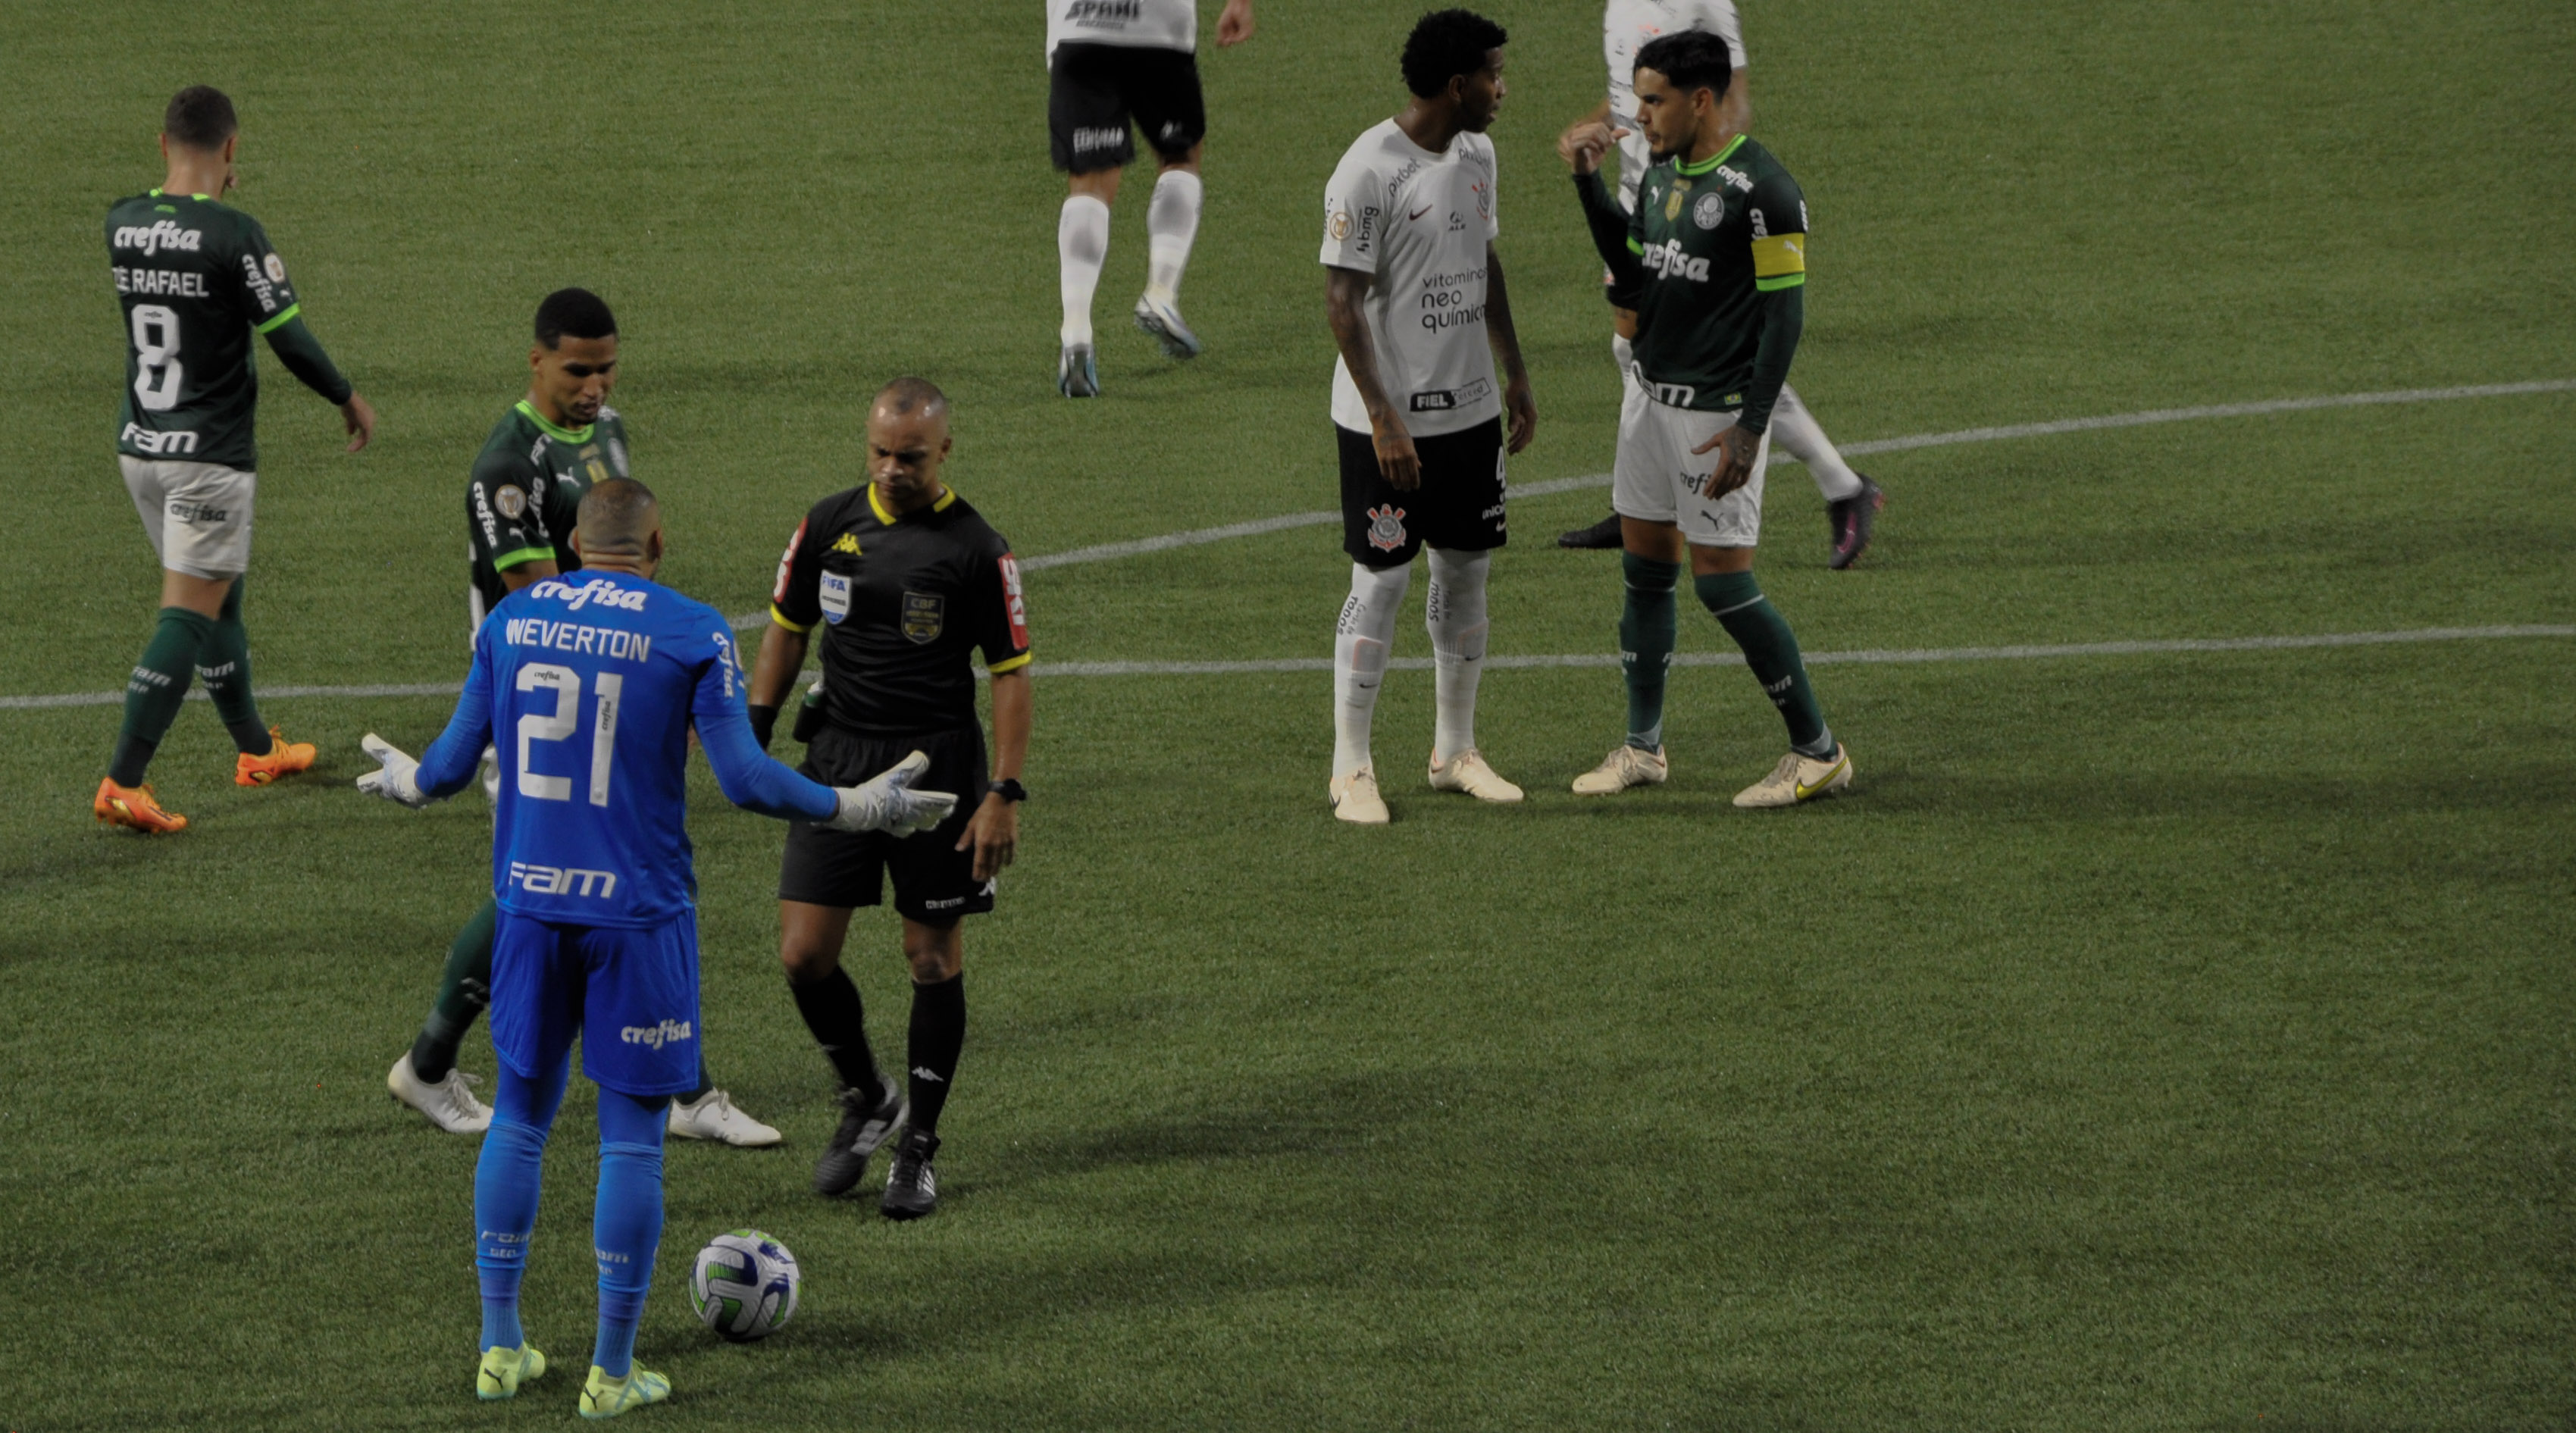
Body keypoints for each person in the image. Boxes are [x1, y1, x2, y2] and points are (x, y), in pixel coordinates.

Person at [355, 478, 955, 1416]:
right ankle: (612, 1370)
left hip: (529, 914)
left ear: (571, 540)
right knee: (631, 1141)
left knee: (519, 1120)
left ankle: (500, 1346)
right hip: (636, 921)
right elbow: (746, 778)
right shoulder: (688, 629)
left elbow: (441, 769)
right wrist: (855, 805)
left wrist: (402, 780)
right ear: (658, 541)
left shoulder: (512, 622)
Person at [386, 289, 781, 1147]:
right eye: (578, 370)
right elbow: (550, 614)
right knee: (573, 883)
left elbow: (620, 565)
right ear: (535, 360)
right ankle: (681, 1089)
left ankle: (429, 1064)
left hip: (606, 701)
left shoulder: (606, 430)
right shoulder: (507, 466)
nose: (596, 384)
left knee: (561, 883)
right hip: (541, 713)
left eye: (607, 367)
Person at [748, 377, 1031, 1221]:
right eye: (879, 452)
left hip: (937, 772)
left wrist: (1003, 793)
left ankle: (920, 1145)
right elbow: (786, 630)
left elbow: (1012, 679)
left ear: (945, 449)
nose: (893, 469)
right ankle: (867, 1095)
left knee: (931, 957)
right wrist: (752, 729)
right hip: (835, 762)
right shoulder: (828, 522)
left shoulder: (980, 549)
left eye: (911, 456)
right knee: (803, 954)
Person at [1562, 30, 1855, 806]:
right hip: (1649, 402)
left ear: (1700, 100)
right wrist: (1589, 184)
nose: (1641, 116)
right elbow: (1631, 267)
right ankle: (1642, 747)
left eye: (1653, 101)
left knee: (1723, 586)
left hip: (1715, 417)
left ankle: (1818, 750)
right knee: (1645, 572)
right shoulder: (1661, 172)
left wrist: (1753, 431)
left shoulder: (1765, 190)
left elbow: (1784, 320)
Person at [93, 85, 377, 834]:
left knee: (221, 596)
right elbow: (288, 338)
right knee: (187, 612)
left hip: (141, 447)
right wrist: (348, 397)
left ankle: (256, 749)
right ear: (232, 148)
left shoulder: (122, 222)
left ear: (162, 145)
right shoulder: (234, 234)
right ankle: (123, 778)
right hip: (208, 458)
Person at [1554, 2, 1884, 568]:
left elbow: (1732, 98)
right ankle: (1644, 498)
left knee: (1709, 352)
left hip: (1692, 196)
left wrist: (1706, 190)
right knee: (1630, 342)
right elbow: (1639, 84)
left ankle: (1841, 485)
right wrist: (1601, 125)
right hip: (1644, 187)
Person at [1316, 8, 1535, 825]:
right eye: (1494, 75)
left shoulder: (1478, 154)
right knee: (1381, 579)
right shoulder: (1369, 170)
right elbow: (1341, 302)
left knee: (1466, 572)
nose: (1502, 90)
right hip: (1387, 423)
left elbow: (1482, 258)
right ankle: (1351, 767)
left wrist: (1513, 372)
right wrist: (1384, 419)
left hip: (1471, 414)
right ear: (1457, 85)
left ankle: (1455, 751)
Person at [1048, 0, 1257, 396]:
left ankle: (1076, 332)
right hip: (1160, 28)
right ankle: (1161, 293)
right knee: (1180, 157)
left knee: (1090, 184)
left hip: (1080, 25)